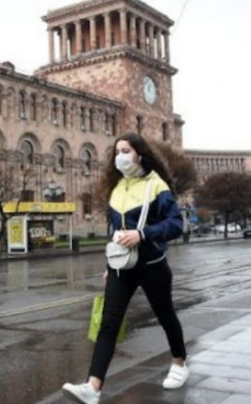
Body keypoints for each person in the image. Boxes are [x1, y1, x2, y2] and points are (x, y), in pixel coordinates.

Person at [62, 133, 187, 404]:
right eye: (117, 152)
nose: (120, 156)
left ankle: (179, 363)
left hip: (152, 265)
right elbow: (115, 232)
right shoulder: (116, 188)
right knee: (108, 323)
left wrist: (143, 234)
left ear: (140, 154)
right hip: (122, 267)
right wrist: (110, 264)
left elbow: (176, 224)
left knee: (165, 315)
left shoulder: (157, 185)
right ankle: (93, 387)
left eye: (126, 151)